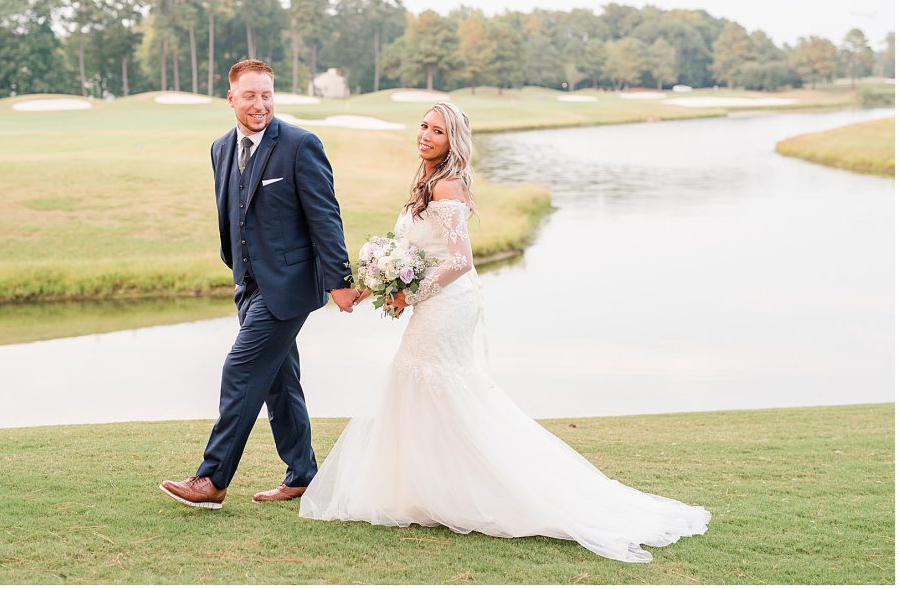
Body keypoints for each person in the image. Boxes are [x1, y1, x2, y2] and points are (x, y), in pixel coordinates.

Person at [299, 102, 712, 563]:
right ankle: (430, 491)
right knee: (423, 386)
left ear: (453, 140)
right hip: (433, 301)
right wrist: (387, 283)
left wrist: (408, 296)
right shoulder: (428, 181)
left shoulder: (448, 184)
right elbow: (421, 253)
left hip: (448, 305)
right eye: (423, 126)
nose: (426, 135)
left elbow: (459, 260)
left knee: (436, 385)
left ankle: (476, 490)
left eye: (437, 131)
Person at [161, 59, 360, 509]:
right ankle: (304, 474)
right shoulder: (219, 149)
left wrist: (340, 281)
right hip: (249, 285)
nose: (260, 104)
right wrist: (239, 271)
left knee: (241, 370)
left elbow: (325, 218)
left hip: (288, 286)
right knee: (279, 381)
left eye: (267, 95)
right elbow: (231, 214)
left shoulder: (299, 145)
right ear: (231, 98)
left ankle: (212, 479)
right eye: (250, 96)